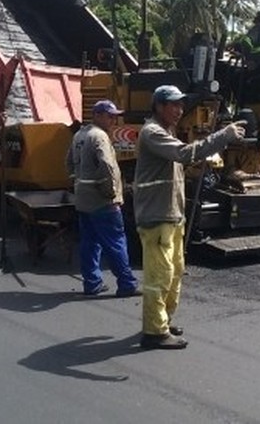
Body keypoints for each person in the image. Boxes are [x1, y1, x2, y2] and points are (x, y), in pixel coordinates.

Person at [133, 85, 246, 350]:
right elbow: (184, 154)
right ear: (159, 106)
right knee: (160, 276)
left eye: (181, 105)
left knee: (174, 273)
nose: (179, 110)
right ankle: (153, 332)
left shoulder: (167, 132)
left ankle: (163, 321)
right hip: (156, 216)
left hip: (172, 215)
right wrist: (222, 136)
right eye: (173, 104)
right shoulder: (152, 133)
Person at [65, 99, 140, 297]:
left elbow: (69, 163)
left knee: (90, 242)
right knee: (115, 241)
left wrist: (78, 182)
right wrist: (110, 192)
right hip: (102, 200)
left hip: (83, 199)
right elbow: (107, 165)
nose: (113, 120)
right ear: (97, 115)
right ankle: (126, 283)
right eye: (110, 116)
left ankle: (92, 283)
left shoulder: (79, 135)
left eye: (115, 116)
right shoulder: (99, 136)